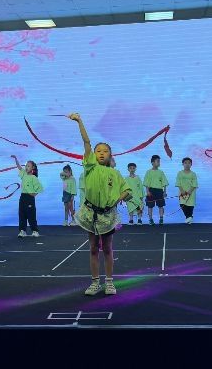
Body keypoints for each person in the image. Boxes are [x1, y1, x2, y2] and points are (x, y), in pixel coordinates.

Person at [68, 112, 130, 296]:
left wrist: (118, 199)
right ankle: (95, 283)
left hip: (107, 215)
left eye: (105, 151)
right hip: (90, 213)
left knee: (108, 248)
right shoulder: (90, 167)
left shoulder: (115, 173)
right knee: (93, 248)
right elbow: (87, 142)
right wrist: (79, 121)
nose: (101, 153)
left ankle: (109, 282)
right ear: (93, 155)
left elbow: (126, 191)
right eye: (98, 151)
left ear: (111, 155)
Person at [12, 156, 43, 238]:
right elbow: (19, 167)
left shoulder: (34, 177)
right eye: (26, 166)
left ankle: (35, 231)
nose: (26, 167)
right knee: (22, 214)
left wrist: (33, 195)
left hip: (29, 198)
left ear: (33, 168)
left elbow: (39, 188)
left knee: (31, 214)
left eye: (28, 166)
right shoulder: (24, 174)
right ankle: (22, 231)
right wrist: (15, 159)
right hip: (23, 197)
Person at [143, 155, 169, 225]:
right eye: (157, 161)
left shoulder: (161, 172)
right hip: (151, 191)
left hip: (159, 191)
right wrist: (147, 191)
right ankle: (150, 219)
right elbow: (146, 183)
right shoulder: (148, 172)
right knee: (150, 206)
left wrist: (164, 192)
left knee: (161, 206)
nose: (159, 163)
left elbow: (164, 183)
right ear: (152, 163)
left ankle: (161, 219)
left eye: (159, 161)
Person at [175, 158, 198, 224]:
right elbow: (178, 183)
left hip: (191, 193)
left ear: (191, 164)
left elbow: (194, 184)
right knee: (182, 205)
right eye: (185, 163)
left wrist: (190, 191)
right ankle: (189, 217)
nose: (187, 164)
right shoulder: (180, 173)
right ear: (183, 164)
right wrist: (182, 191)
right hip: (182, 193)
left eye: (189, 163)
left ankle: (189, 218)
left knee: (190, 206)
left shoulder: (193, 174)